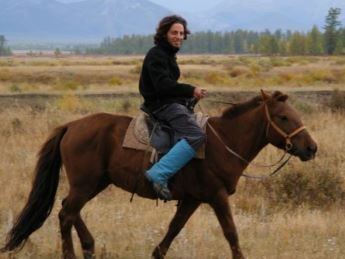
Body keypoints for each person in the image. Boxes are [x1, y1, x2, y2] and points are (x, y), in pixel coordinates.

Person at [139, 15, 207, 200]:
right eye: (174, 32)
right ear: (164, 34)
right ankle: (159, 173)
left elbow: (168, 87)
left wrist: (188, 97)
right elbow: (163, 86)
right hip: (161, 107)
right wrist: (191, 90)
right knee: (196, 135)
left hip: (168, 103)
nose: (178, 36)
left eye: (181, 33)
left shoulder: (167, 55)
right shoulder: (156, 55)